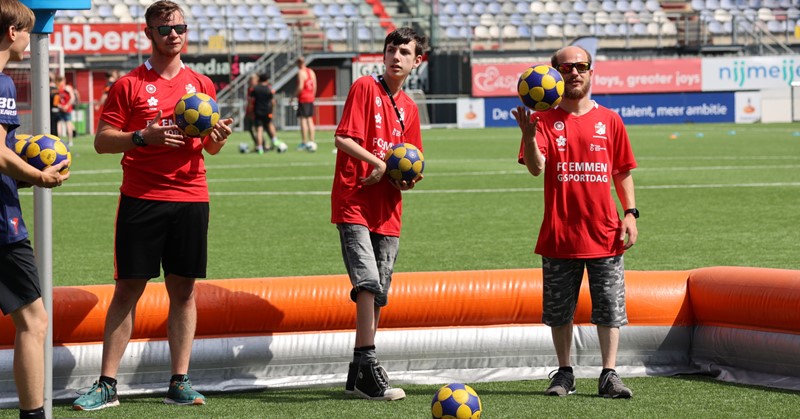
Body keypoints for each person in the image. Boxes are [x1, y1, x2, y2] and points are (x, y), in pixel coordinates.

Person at [71, 0, 232, 411]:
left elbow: (208, 148)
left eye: (179, 27)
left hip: (191, 197)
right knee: (128, 290)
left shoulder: (203, 85)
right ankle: (107, 384)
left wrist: (219, 136)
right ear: (149, 34)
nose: (174, 34)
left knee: (184, 291)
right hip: (141, 198)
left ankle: (179, 381)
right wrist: (143, 137)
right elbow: (102, 141)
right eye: (164, 29)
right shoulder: (128, 85)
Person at [512, 45, 638, 399]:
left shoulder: (610, 119)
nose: (575, 72)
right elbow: (536, 167)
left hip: (605, 233)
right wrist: (527, 134)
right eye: (566, 67)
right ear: (554, 74)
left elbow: (622, 171)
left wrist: (630, 213)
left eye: (581, 66)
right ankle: (564, 373)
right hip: (560, 233)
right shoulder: (544, 120)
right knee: (558, 311)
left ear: (591, 71)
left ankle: (609, 374)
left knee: (610, 309)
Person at [331, 27, 427, 402]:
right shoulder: (364, 88)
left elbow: (412, 160)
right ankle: (369, 366)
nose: (396, 56)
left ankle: (357, 375)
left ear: (417, 61)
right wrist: (378, 163)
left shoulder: (411, 108)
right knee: (368, 283)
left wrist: (408, 179)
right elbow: (342, 138)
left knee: (379, 292)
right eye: (392, 49)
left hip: (388, 210)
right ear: (384, 54)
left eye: (405, 52)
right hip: (354, 201)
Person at [0, 2, 71, 419]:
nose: (30, 39)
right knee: (33, 321)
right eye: (27, 31)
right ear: (13, 32)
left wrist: (20, 174)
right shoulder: (2, 84)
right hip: (1, 222)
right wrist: (37, 176)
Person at [250, 73, 278, 154]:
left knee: (259, 129)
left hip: (257, 111)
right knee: (269, 125)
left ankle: (260, 147)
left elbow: (251, 101)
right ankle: (275, 140)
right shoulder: (268, 89)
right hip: (267, 111)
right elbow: (273, 102)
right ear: (266, 80)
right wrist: (272, 111)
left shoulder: (255, 89)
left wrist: (251, 111)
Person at [295, 56, 316, 151]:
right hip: (310, 97)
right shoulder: (311, 71)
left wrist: (293, 96)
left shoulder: (300, 72)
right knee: (310, 120)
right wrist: (312, 96)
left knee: (303, 120)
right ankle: (312, 141)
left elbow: (300, 86)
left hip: (303, 98)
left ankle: (304, 142)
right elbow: (315, 85)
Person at [55, 74, 75, 147]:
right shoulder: (68, 88)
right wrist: (67, 106)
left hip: (61, 109)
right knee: (68, 123)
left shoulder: (57, 89)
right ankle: (70, 141)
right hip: (67, 109)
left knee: (59, 123)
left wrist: (61, 106)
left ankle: (59, 141)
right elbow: (72, 98)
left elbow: (55, 102)